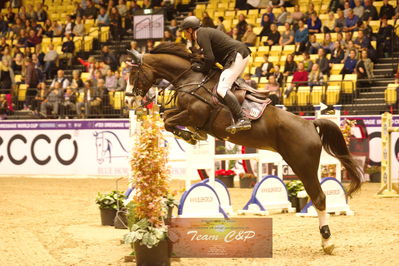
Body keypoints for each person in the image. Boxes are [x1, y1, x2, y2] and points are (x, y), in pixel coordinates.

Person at [181, 16, 252, 133]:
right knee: (224, 86)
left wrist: (201, 68)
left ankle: (243, 118)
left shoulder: (201, 34)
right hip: (238, 54)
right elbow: (210, 59)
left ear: (190, 30)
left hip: (236, 54)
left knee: (222, 88)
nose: (184, 35)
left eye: (184, 32)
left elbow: (210, 58)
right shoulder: (204, 33)